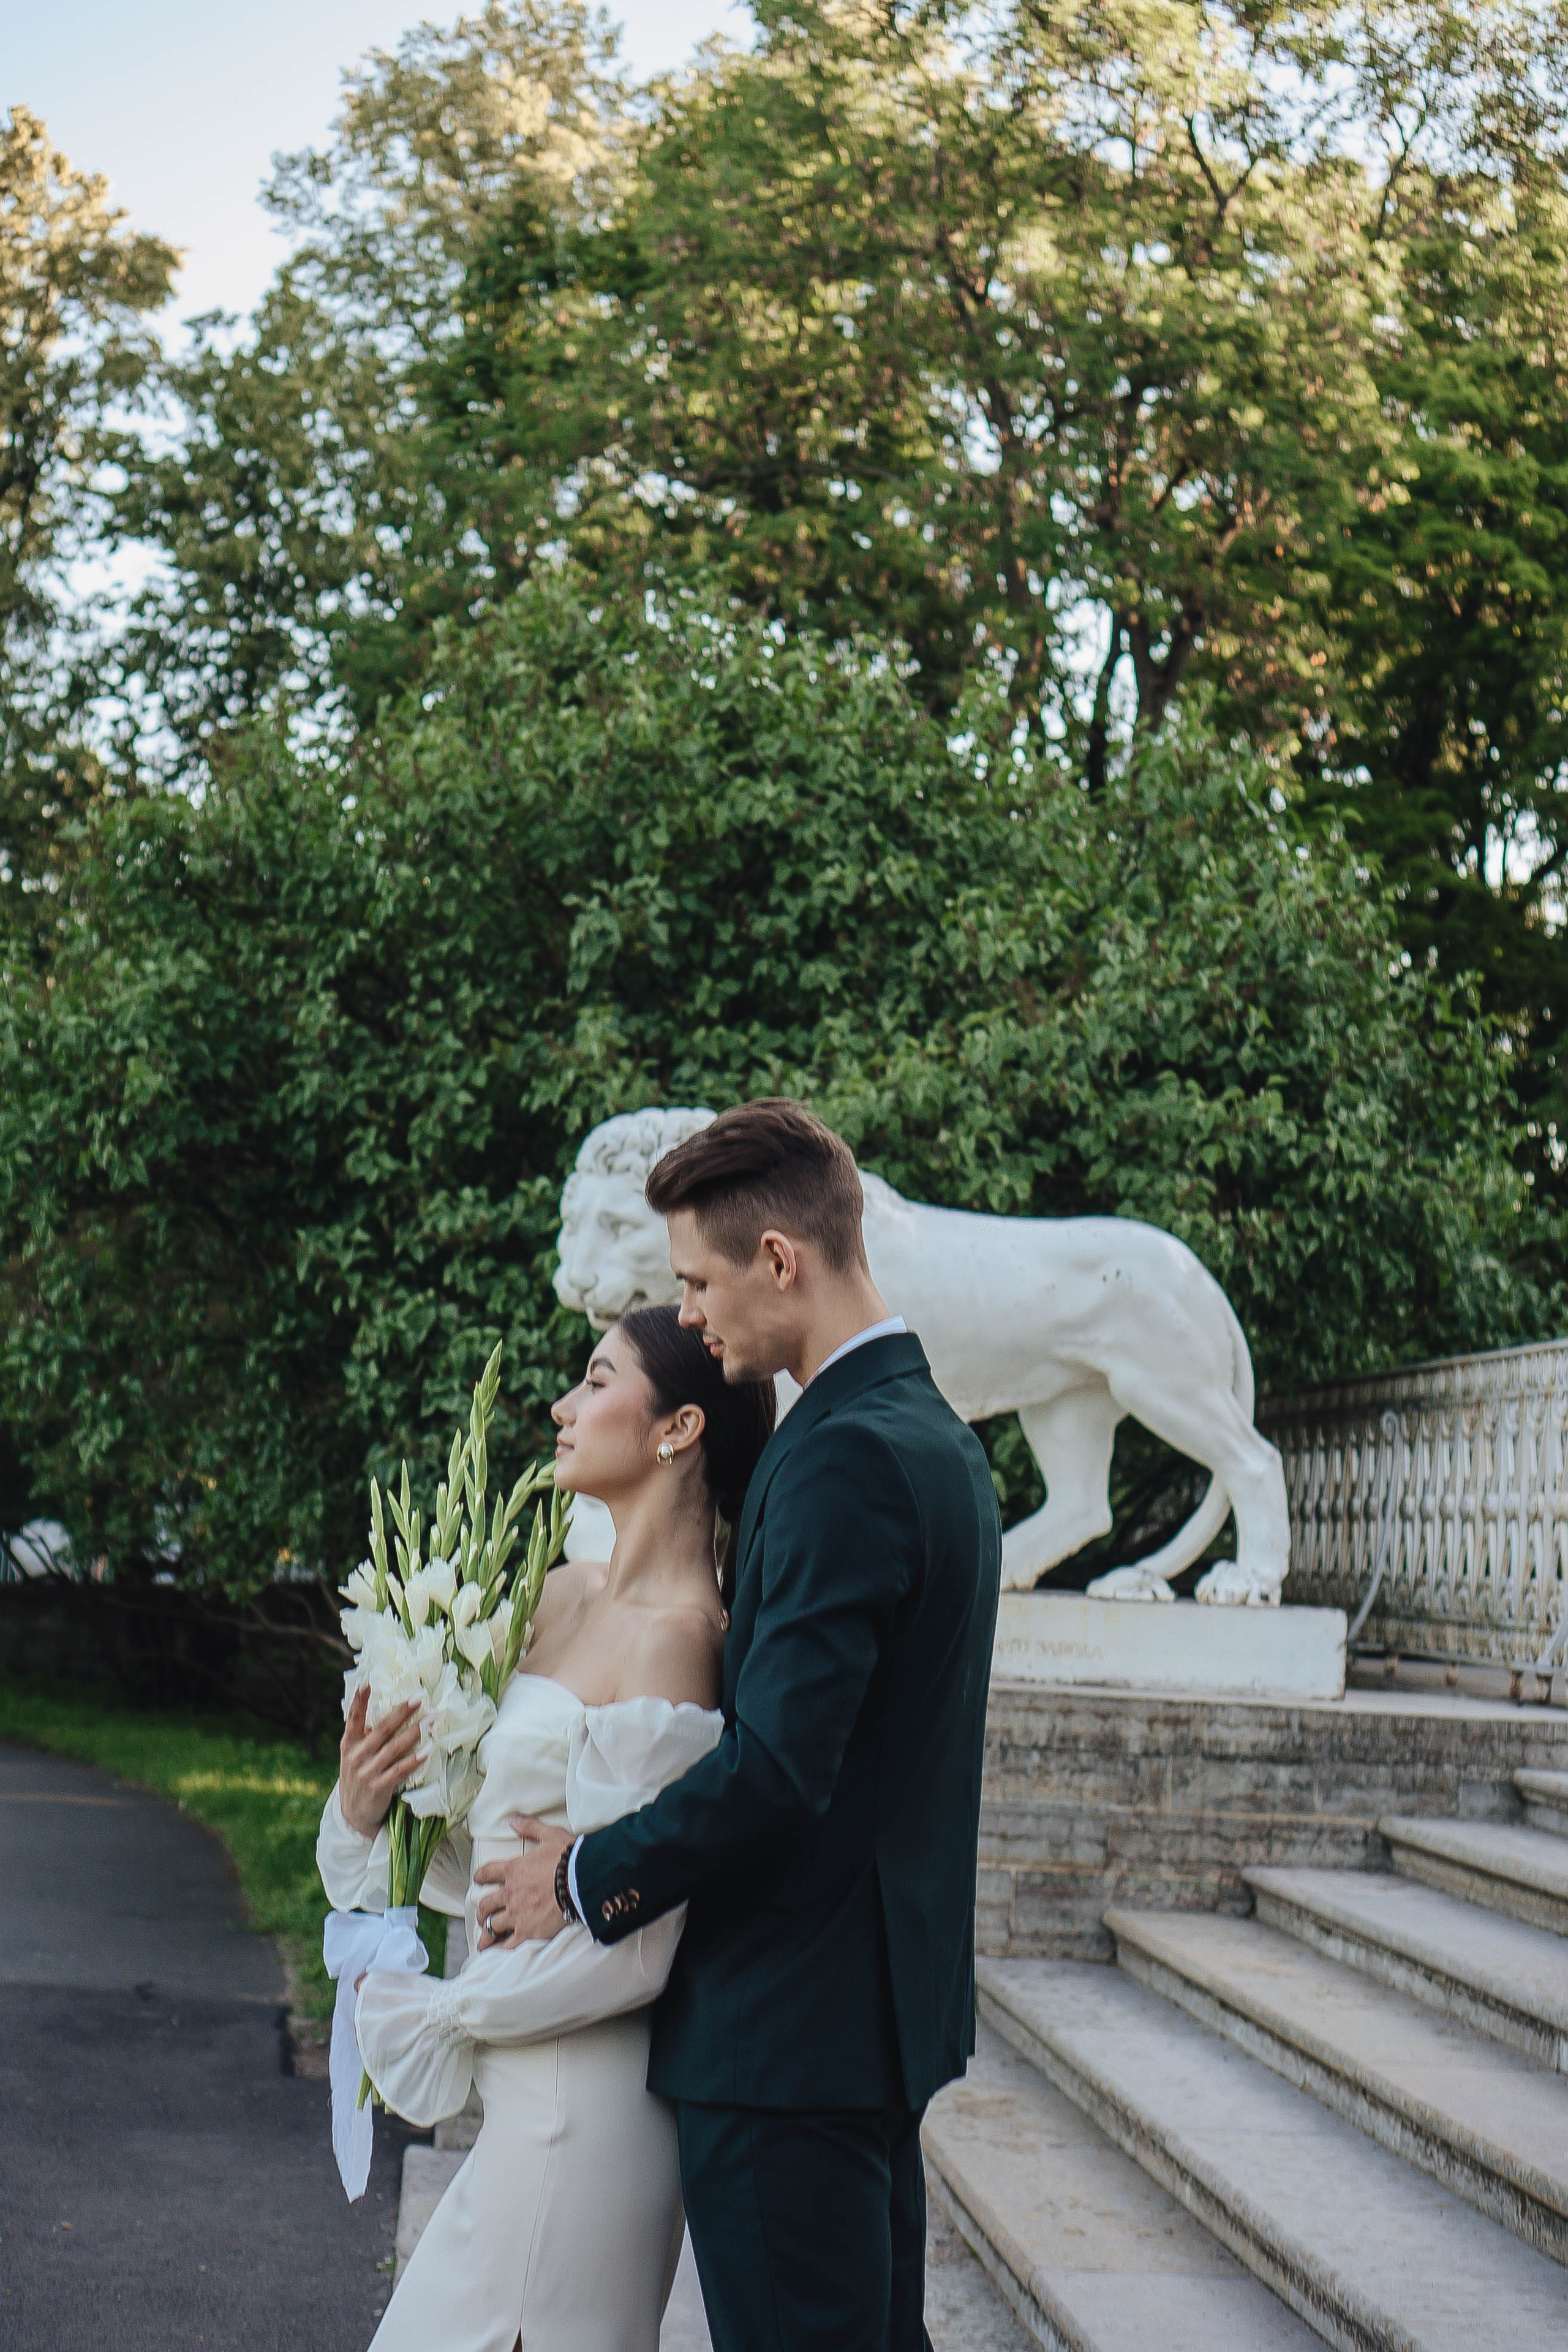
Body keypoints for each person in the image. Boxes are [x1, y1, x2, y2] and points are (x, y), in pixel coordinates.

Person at [478, 1099, 1003, 2352]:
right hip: (866, 2021)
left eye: (698, 1282)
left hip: (784, 2042)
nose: (694, 1315)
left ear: (779, 1260)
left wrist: (583, 1872)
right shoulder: (933, 1439)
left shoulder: (839, 1457)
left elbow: (778, 1767)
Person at [315, 1303, 775, 2352]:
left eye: (597, 1379)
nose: (564, 1408)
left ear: (679, 1428)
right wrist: (368, 1809)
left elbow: (638, 1942)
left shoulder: (680, 1643)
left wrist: (446, 2013)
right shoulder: (556, 1596)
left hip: (588, 2100)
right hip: (517, 2085)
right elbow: (492, 1869)